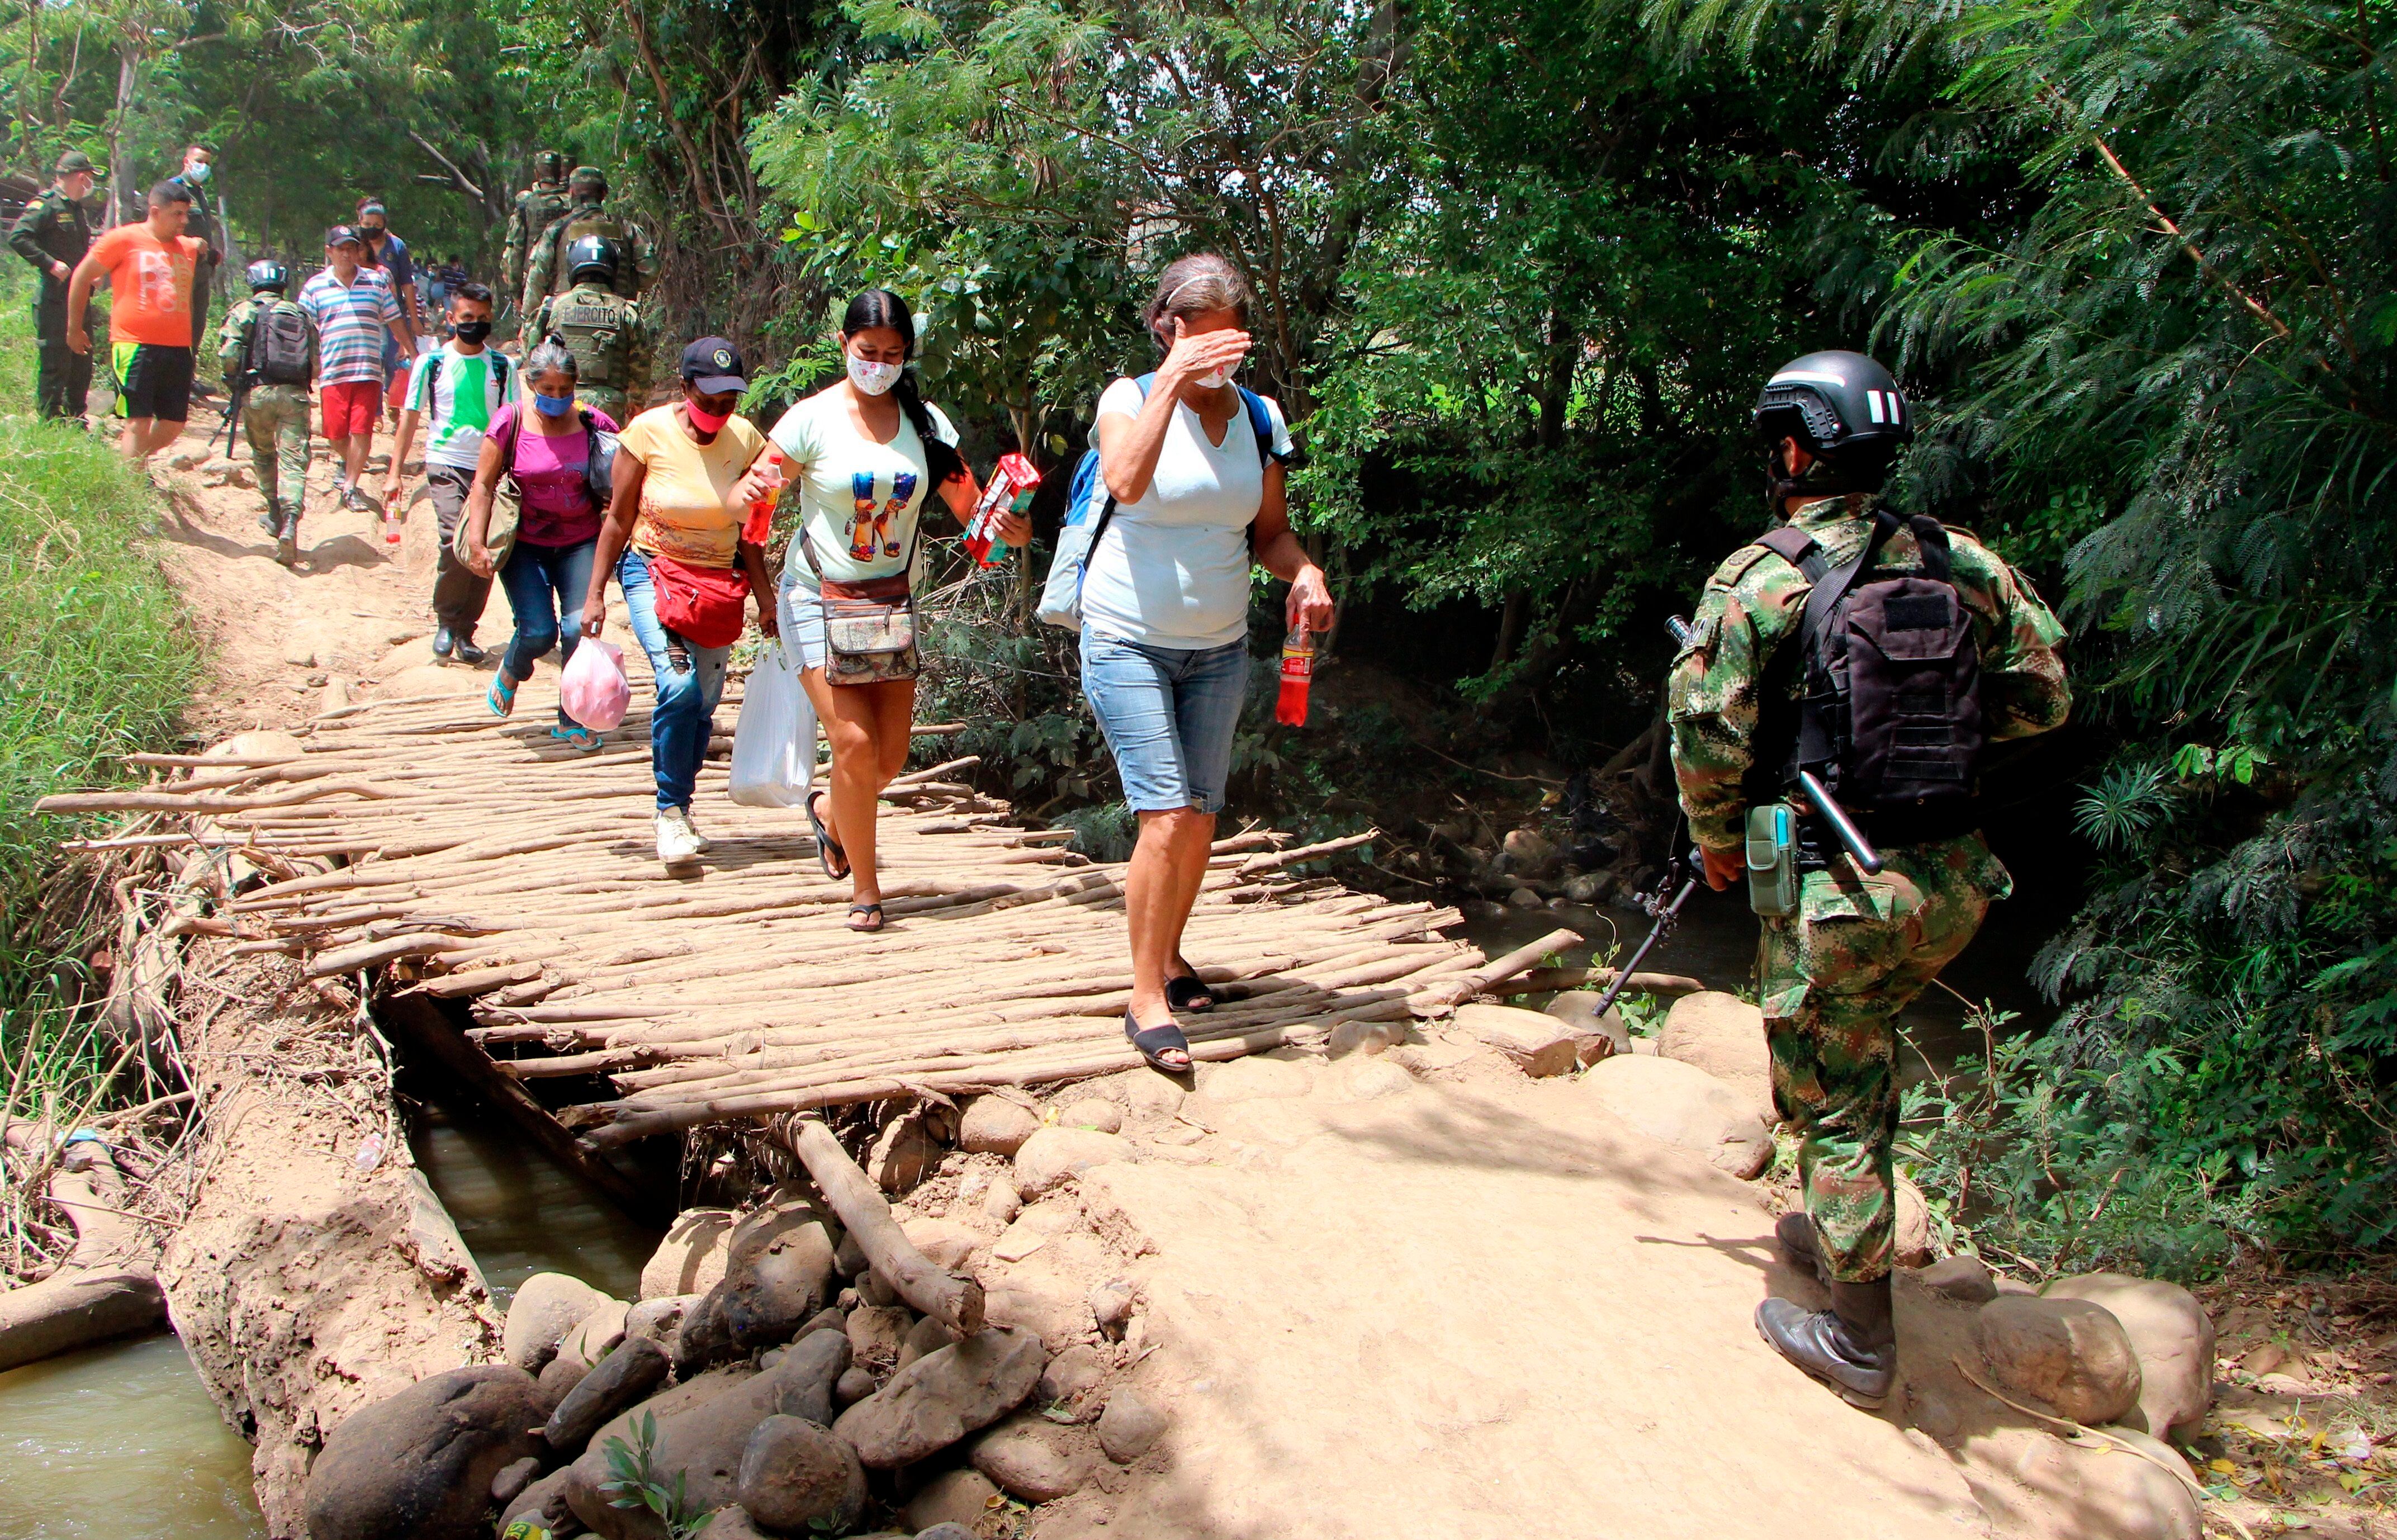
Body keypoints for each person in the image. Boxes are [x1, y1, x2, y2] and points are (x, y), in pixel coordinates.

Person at [1667, 349, 2072, 1409]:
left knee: (1836, 1098)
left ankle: (1857, 1342)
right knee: (1868, 1053)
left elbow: (1706, 733)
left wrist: (1715, 835)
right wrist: (1938, 752)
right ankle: (1843, 1229)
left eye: (1777, 442)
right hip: (1953, 879)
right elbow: (2044, 693)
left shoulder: (1761, 576)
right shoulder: (1958, 561)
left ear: (1798, 447)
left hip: (1839, 887)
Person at [1083, 253, 1334, 1070]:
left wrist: (1304, 571)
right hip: (1126, 634)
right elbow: (1124, 480)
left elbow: (1267, 533)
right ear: (1169, 327)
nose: (1223, 358)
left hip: (1219, 647)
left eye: (1236, 343)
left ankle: (1172, 953)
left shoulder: (1260, 417)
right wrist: (1170, 383)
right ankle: (1145, 996)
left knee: (1201, 815)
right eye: (1206, 342)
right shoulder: (1127, 399)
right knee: (1164, 813)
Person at [758, 289, 1027, 932]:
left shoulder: (925, 423)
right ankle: (868, 888)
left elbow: (970, 509)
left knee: (887, 756)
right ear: (844, 346)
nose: (878, 365)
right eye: (867, 352)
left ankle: (829, 813)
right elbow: (761, 490)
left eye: (892, 355)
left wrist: (1004, 523)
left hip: (886, 601)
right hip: (814, 596)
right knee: (851, 742)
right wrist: (747, 535)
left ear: (907, 357)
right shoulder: (810, 419)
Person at [580, 338, 778, 866]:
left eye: (728, 401)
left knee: (702, 706)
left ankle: (683, 810)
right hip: (652, 570)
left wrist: (766, 598)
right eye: (707, 398)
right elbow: (619, 518)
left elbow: (750, 532)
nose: (717, 411)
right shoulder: (646, 433)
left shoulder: (746, 440)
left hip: (715, 585)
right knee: (679, 685)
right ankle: (668, 812)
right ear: (685, 385)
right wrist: (595, 593)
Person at [462, 340, 618, 751]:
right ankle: (512, 669)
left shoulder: (593, 423)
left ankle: (571, 716)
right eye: (547, 390)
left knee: (577, 627)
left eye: (564, 389)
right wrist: (477, 540)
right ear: (531, 385)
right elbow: (483, 483)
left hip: (580, 540)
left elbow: (624, 473)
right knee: (538, 631)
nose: (556, 398)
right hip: (525, 543)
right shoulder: (509, 421)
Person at [387, 281, 515, 663]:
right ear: (451, 319)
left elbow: (513, 421)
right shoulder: (432, 363)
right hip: (445, 462)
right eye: (467, 318)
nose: (475, 324)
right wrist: (394, 472)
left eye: (483, 319)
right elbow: (409, 419)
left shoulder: (502, 366)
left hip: (489, 469)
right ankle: (446, 620)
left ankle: (465, 630)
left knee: (485, 546)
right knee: (452, 540)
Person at [64, 179, 211, 464]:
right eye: (176, 215)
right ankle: (133, 482)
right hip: (134, 344)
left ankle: (129, 464)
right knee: (137, 420)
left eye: (186, 215)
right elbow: (81, 277)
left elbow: (197, 254)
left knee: (174, 423)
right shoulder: (123, 239)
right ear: (155, 212)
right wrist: (74, 327)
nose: (183, 222)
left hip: (179, 346)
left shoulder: (188, 248)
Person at [297, 224, 413, 514]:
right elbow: (303, 328)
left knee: (362, 430)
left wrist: (412, 350)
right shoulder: (314, 287)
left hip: (368, 370)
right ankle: (350, 465)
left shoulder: (375, 282)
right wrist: (303, 365)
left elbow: (395, 318)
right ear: (329, 252)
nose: (347, 254)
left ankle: (350, 486)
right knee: (336, 435)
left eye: (352, 248)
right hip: (333, 372)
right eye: (341, 249)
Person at [217, 259, 318, 565]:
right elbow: (314, 359)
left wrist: (232, 381)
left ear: (253, 282)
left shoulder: (244, 310)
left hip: (258, 394)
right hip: (295, 395)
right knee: (294, 460)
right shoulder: (301, 313)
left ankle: (274, 512)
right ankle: (291, 521)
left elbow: (229, 353)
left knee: (263, 454)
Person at [10, 150, 100, 421]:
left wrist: (90, 271)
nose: (90, 185)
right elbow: (18, 237)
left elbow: (78, 249)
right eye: (89, 179)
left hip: (80, 297)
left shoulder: (76, 209)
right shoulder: (46, 205)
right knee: (56, 361)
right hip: (54, 299)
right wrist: (50, 264)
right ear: (82, 177)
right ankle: (50, 420)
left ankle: (76, 418)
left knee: (82, 360)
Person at [527, 235, 650, 422]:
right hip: (611, 407)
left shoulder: (552, 308)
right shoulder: (625, 311)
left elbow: (531, 353)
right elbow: (640, 364)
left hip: (562, 402)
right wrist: (637, 401)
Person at [520, 167, 655, 317]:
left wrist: (529, 318)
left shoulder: (556, 229)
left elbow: (538, 278)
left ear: (571, 192)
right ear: (604, 193)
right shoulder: (627, 228)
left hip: (567, 315)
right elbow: (651, 270)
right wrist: (627, 286)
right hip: (616, 313)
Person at [356, 201, 422, 424]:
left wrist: (414, 319)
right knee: (371, 362)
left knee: (396, 361)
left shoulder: (397, 247)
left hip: (393, 313)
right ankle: (374, 413)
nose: (372, 228)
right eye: (367, 224)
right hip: (364, 316)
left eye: (377, 224)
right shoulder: (353, 245)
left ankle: (394, 402)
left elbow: (406, 283)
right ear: (360, 223)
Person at [163, 145, 217, 381]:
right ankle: (172, 378)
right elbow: (163, 228)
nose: (203, 167)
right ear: (186, 161)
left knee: (197, 322)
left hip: (201, 267)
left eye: (207, 163)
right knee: (180, 323)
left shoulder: (199, 192)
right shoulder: (173, 189)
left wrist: (213, 251)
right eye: (199, 161)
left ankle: (188, 378)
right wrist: (188, 242)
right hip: (180, 266)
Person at [503, 151, 570, 300]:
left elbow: (516, 250)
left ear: (536, 173)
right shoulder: (574, 204)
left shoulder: (526, 205)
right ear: (560, 173)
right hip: (567, 285)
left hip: (534, 285)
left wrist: (515, 291)